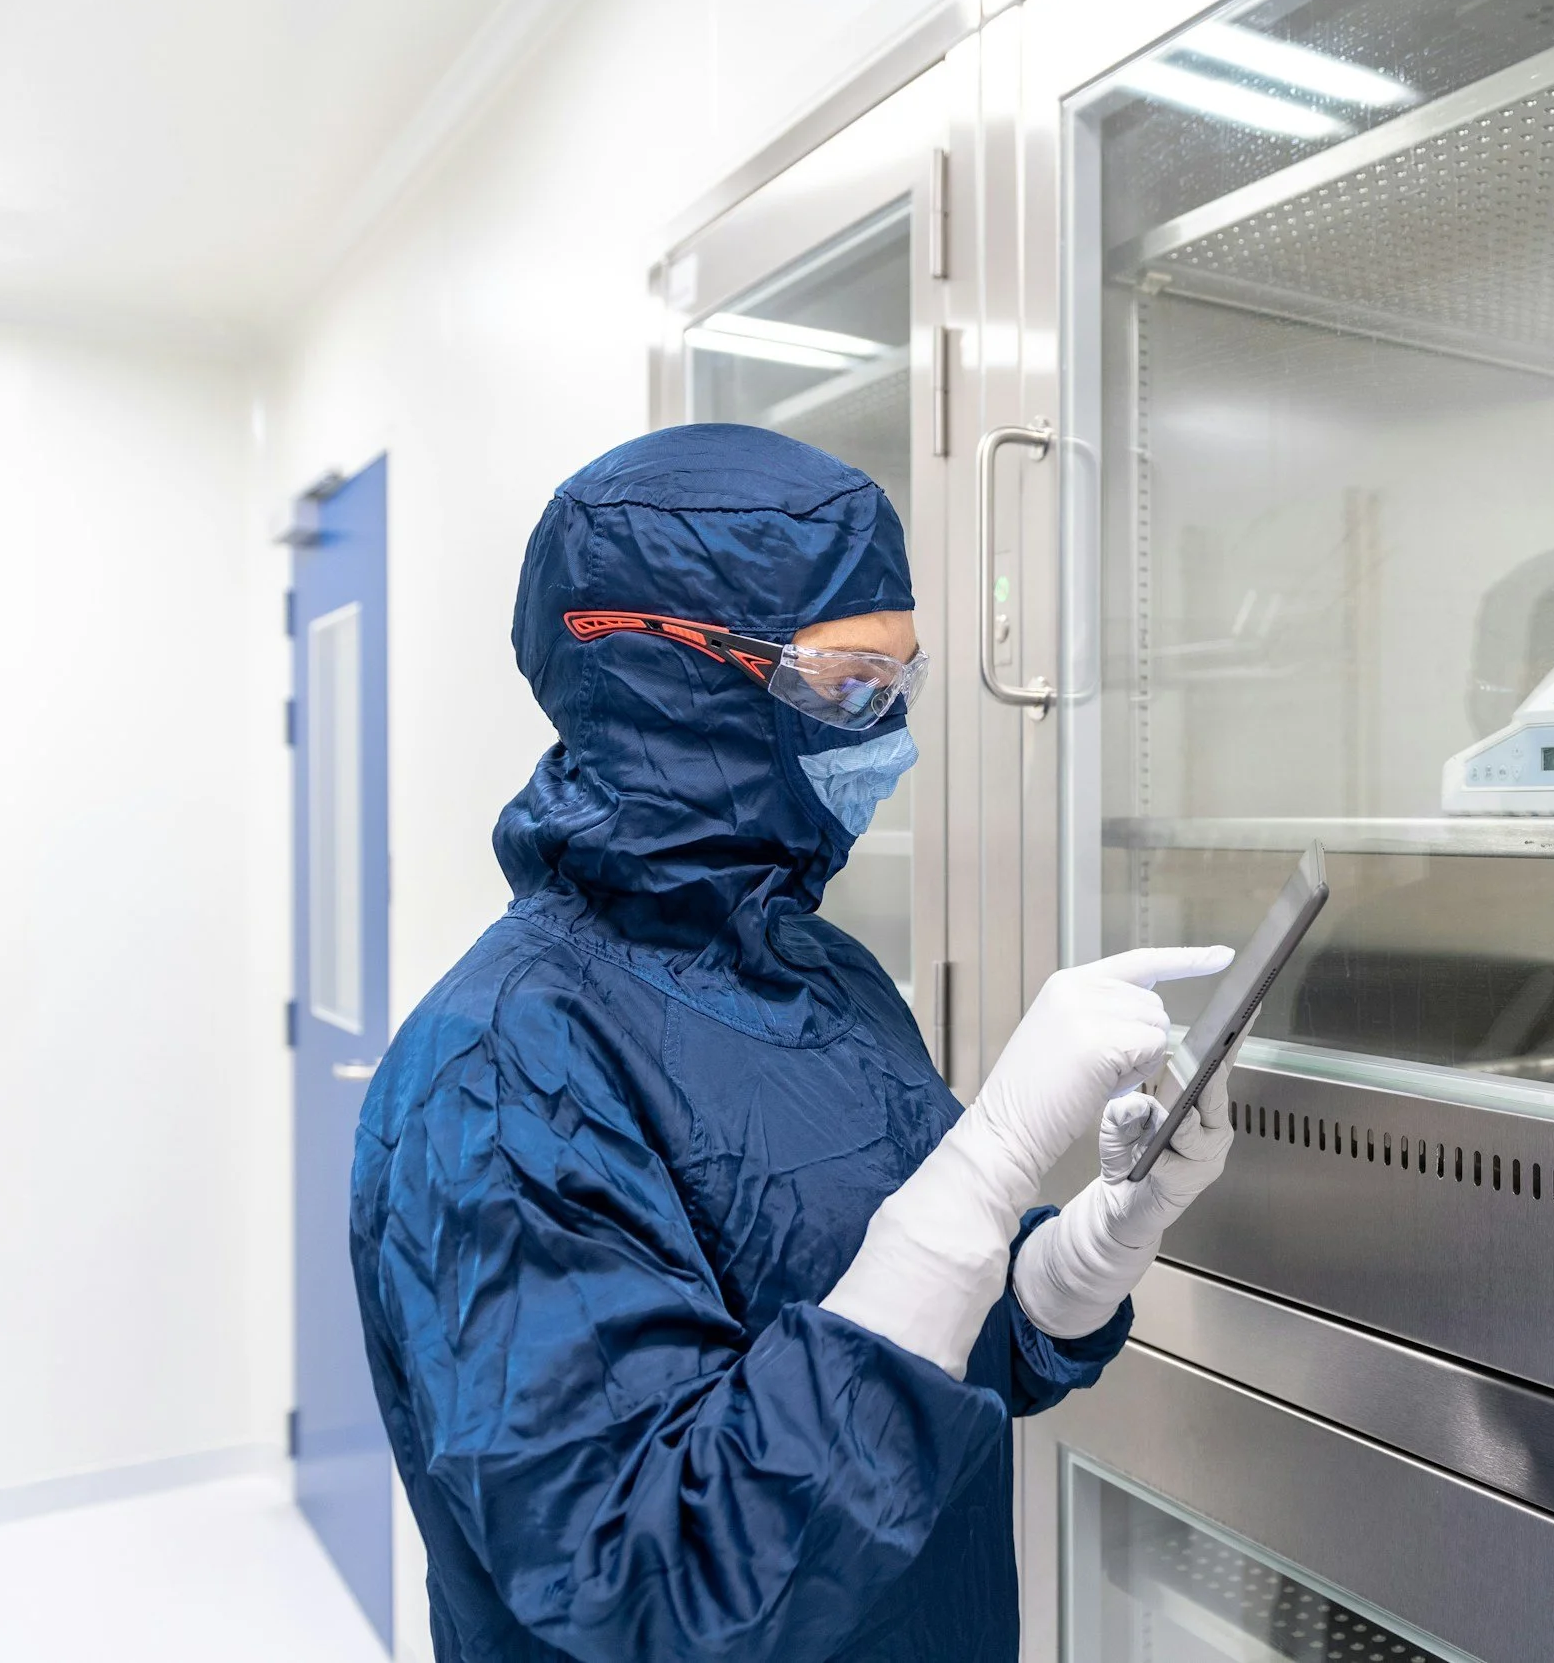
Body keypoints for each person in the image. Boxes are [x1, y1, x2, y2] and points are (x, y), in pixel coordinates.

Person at [349, 423, 1236, 1662]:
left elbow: (903, 1370)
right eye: (847, 685)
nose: (891, 738)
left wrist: (1079, 1256)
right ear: (667, 678)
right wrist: (984, 1165)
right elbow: (651, 1582)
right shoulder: (500, 1068)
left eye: (900, 685)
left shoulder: (826, 974)